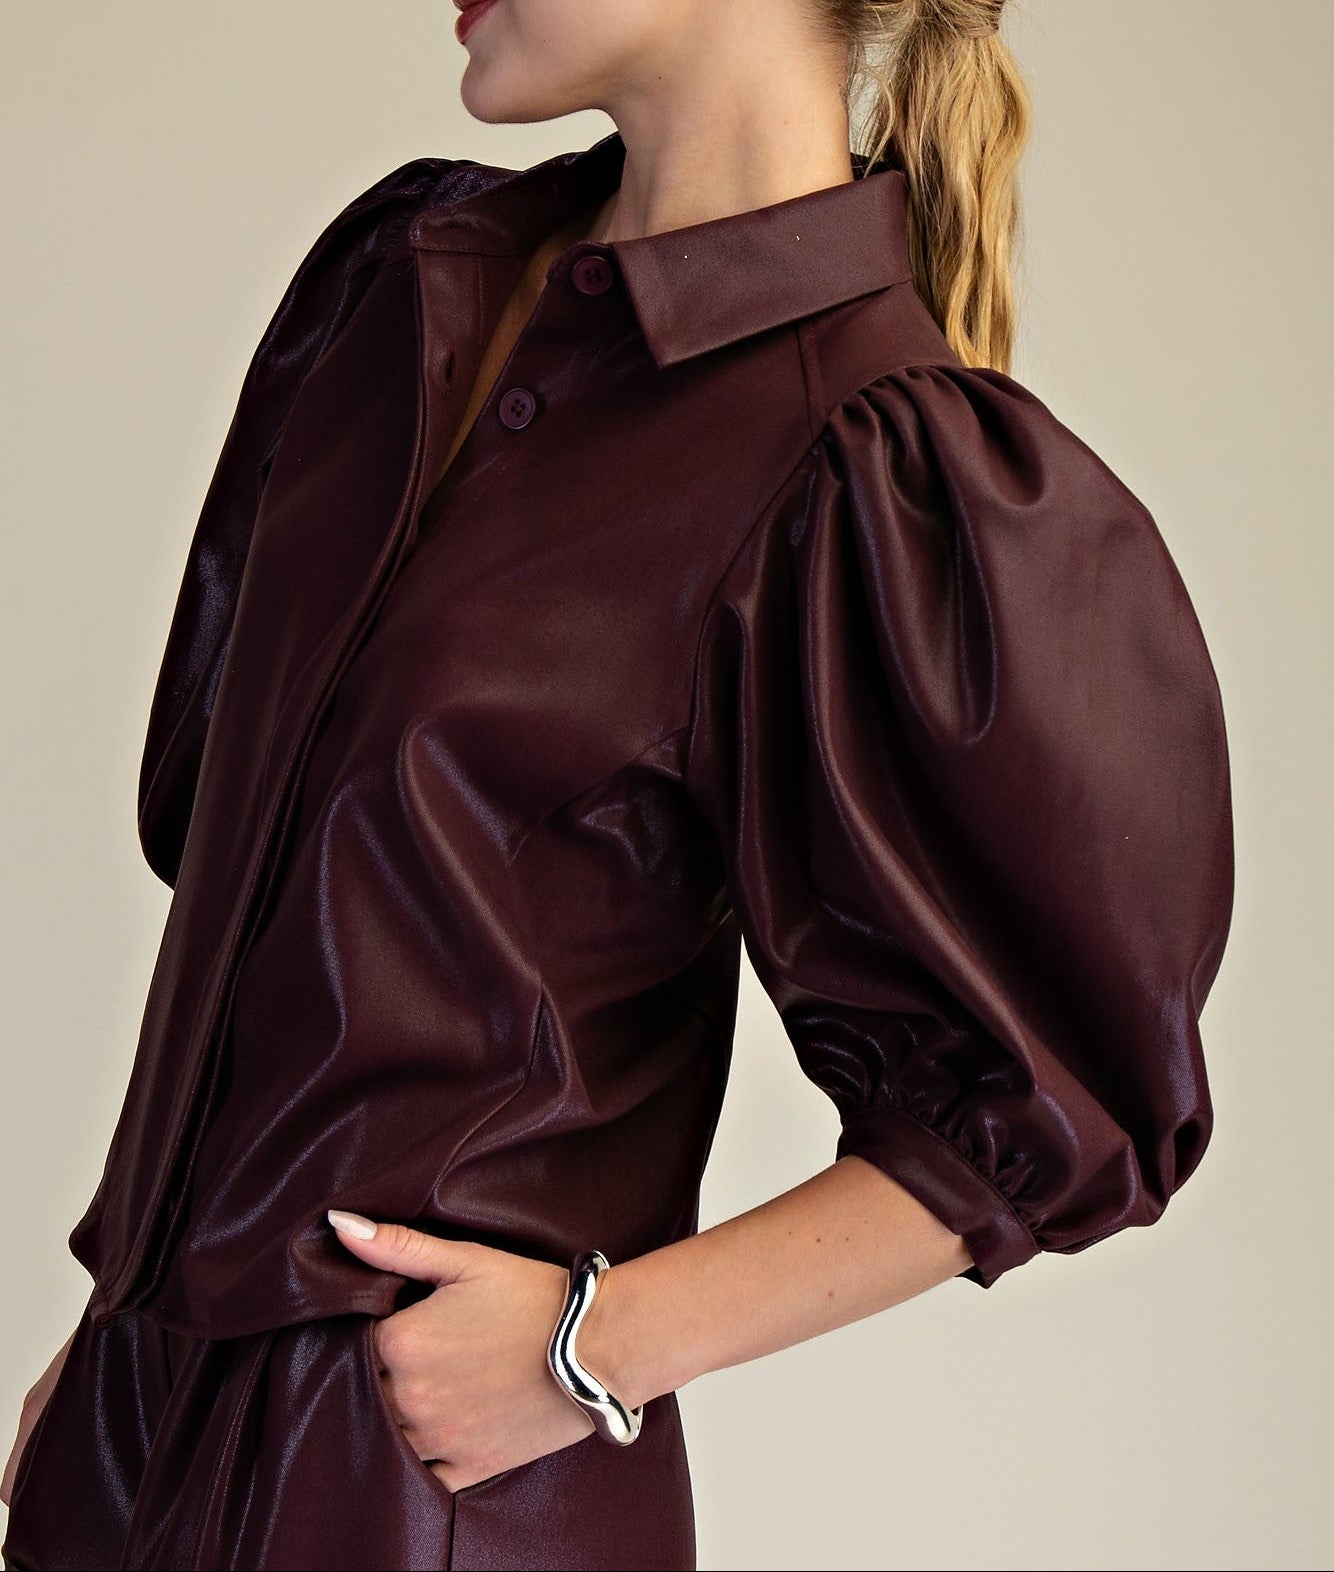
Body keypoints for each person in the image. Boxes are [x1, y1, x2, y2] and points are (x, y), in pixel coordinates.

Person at [2, 0, 1234, 1568]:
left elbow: (1056, 1099)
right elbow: (249, 898)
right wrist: (125, 1331)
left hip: (413, 1495)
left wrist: (596, 1345)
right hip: (128, 1452)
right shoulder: (395, 287)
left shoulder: (868, 459)